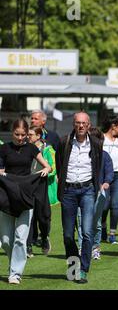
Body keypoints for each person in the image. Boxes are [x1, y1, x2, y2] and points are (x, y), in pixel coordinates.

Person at [0, 119, 51, 285]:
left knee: (21, 239)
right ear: (12, 132)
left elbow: (47, 166)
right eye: (17, 134)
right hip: (7, 196)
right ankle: (13, 264)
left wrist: (45, 170)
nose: (20, 138)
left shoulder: (31, 148)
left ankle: (15, 273)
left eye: (23, 135)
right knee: (6, 240)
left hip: (26, 196)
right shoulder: (4, 148)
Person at [55, 112, 103, 284]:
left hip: (87, 190)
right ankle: (73, 266)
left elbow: (98, 165)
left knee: (88, 232)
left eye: (84, 123)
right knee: (68, 235)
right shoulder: (64, 141)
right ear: (74, 124)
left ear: (89, 125)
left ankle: (82, 269)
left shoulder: (96, 143)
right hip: (68, 190)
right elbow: (60, 164)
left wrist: (96, 186)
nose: (81, 126)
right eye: (78, 123)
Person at [80, 127, 113, 260]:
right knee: (82, 221)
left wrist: (106, 182)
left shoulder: (104, 155)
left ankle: (95, 248)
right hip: (82, 192)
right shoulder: (83, 154)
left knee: (96, 223)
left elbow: (109, 172)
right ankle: (82, 248)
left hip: (98, 193)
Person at [26, 126, 57, 257]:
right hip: (27, 186)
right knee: (28, 217)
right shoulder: (25, 149)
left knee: (43, 217)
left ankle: (44, 238)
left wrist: (45, 172)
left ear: (38, 136)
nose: (28, 137)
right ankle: (28, 245)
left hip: (42, 186)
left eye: (31, 135)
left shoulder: (48, 150)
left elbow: (54, 168)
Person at [101, 116, 118, 245]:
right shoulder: (101, 139)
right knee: (104, 206)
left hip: (117, 176)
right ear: (113, 126)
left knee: (115, 205)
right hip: (104, 176)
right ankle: (103, 226)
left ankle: (112, 234)